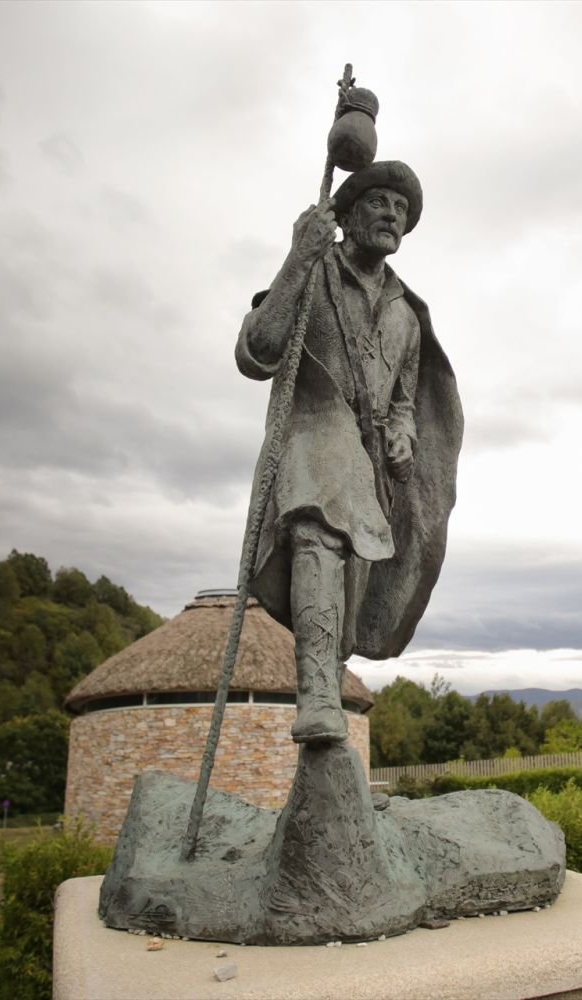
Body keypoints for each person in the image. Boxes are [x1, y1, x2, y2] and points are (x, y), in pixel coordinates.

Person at [235, 160, 462, 746]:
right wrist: (297, 259)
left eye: (401, 210)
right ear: (349, 213)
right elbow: (257, 352)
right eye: (380, 203)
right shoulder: (314, 273)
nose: (392, 216)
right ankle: (315, 695)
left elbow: (404, 401)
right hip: (313, 434)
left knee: (349, 598)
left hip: (369, 468)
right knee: (318, 528)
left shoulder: (406, 315)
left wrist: (404, 437)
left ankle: (326, 699)